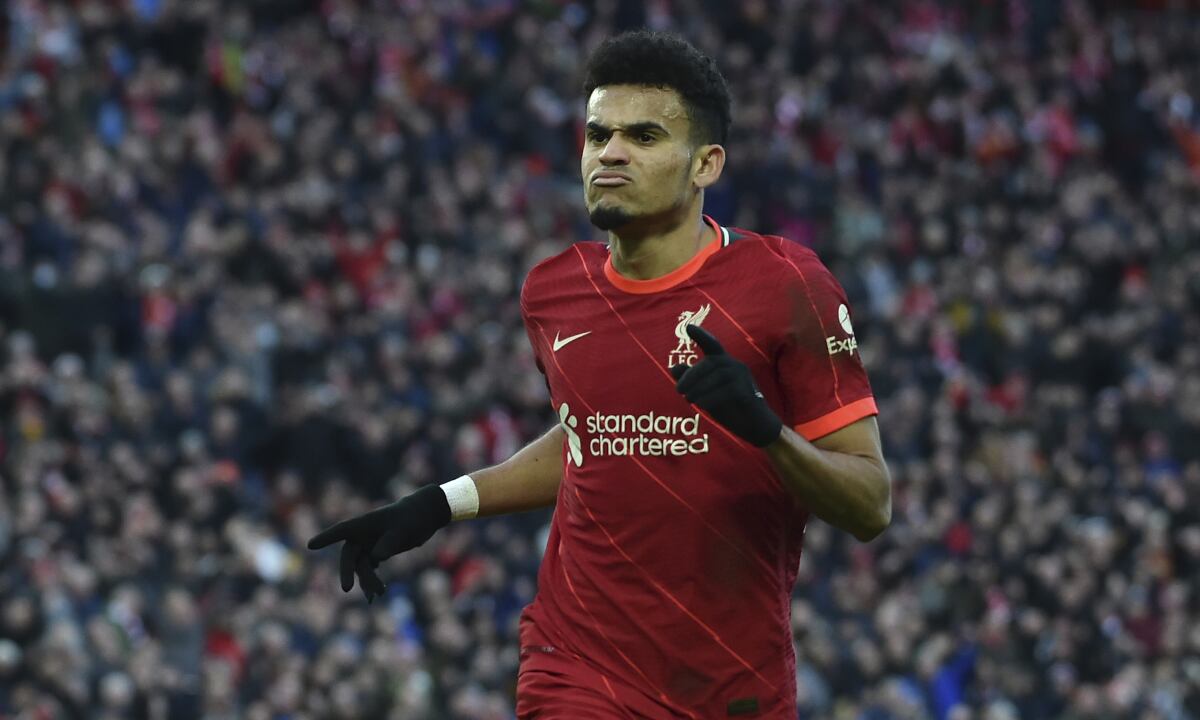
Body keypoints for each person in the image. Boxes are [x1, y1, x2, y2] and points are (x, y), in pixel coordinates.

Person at [307, 30, 891, 718]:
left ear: (706, 164)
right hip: (575, 665)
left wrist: (767, 431)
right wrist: (443, 502)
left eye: (643, 137)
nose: (610, 152)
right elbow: (593, 436)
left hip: (732, 685)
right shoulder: (553, 291)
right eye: (597, 133)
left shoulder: (788, 285)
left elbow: (870, 505)